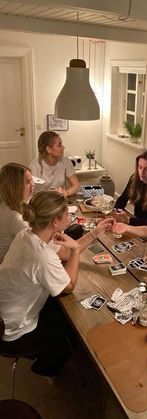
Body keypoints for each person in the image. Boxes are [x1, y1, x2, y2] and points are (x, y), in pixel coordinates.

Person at [0, 190, 112, 378]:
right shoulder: (41, 256)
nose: (69, 218)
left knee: (60, 308)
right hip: (13, 332)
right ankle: (46, 368)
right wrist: (76, 251)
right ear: (54, 221)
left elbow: (65, 254)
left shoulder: (28, 234)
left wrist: (95, 232)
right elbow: (69, 286)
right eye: (67, 214)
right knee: (75, 326)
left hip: (4, 311)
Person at [114, 150, 147, 226]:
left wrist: (129, 220)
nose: (141, 172)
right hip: (136, 222)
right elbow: (122, 199)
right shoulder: (134, 179)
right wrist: (118, 212)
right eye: (140, 167)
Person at [0, 163, 34, 263]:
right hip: (9, 267)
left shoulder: (7, 202)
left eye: (32, 180)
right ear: (15, 186)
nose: (33, 184)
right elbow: (40, 242)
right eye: (28, 182)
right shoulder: (13, 217)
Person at [30, 131, 79, 197]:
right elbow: (29, 192)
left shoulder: (65, 161)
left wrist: (66, 193)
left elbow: (76, 186)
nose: (63, 147)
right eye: (59, 145)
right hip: (41, 202)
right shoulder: (34, 166)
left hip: (58, 201)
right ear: (49, 149)